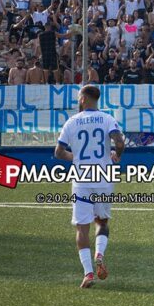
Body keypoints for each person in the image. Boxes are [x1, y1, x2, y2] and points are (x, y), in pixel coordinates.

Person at [54, 85, 125, 288]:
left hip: (82, 178)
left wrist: (74, 157)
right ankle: (100, 254)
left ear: (84, 99)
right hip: (104, 177)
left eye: (79, 97)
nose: (78, 101)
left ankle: (88, 273)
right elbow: (119, 141)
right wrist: (117, 156)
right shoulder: (107, 118)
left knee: (82, 227)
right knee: (101, 222)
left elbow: (59, 152)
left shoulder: (72, 122)